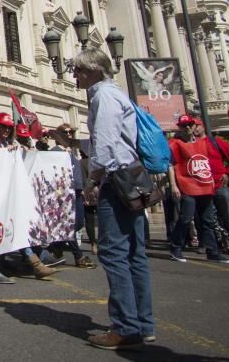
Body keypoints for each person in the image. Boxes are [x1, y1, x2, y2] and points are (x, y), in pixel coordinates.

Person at [74, 48, 154, 351]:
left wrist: (93, 180)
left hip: (116, 181)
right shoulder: (117, 94)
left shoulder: (103, 96)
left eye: (79, 70)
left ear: (94, 70)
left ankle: (125, 327)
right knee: (135, 253)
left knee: (114, 253)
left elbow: (105, 143)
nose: (76, 76)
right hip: (131, 175)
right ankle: (143, 324)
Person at [167, 118, 229, 264]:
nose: (188, 128)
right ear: (180, 128)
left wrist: (219, 177)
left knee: (208, 220)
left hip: (205, 186)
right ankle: (176, 248)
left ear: (195, 126)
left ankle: (212, 251)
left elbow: (211, 161)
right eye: (184, 125)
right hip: (187, 186)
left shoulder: (203, 142)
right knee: (185, 218)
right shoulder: (175, 144)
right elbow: (170, 164)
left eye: (190, 125)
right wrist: (173, 185)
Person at [46, 124, 96, 269]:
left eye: (71, 133)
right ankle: (78, 256)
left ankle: (56, 247)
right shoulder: (55, 152)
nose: (69, 135)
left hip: (77, 191)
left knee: (79, 223)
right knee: (71, 224)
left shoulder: (71, 151)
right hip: (65, 194)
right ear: (58, 135)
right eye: (65, 132)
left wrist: (83, 190)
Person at [197, 120, 229, 257]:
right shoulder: (191, 145)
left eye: (196, 125)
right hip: (202, 187)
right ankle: (212, 245)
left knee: (228, 217)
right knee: (207, 219)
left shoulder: (216, 142)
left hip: (220, 185)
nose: (193, 129)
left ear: (203, 127)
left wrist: (228, 173)